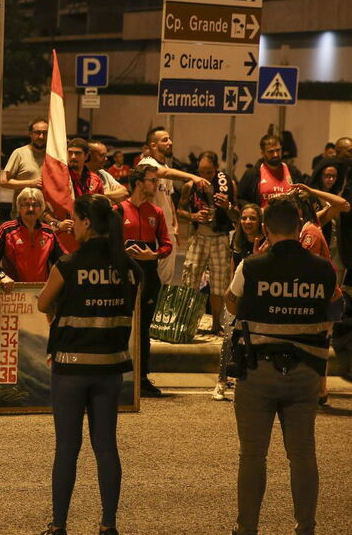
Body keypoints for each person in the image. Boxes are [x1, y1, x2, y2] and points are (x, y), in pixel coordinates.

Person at [226, 196, 336, 535]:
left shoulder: (252, 265)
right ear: (299, 223)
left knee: (253, 456)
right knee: (302, 454)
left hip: (258, 371)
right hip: (305, 373)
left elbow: (231, 303)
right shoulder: (322, 268)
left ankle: (247, 529)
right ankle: (305, 527)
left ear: (265, 227)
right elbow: (335, 309)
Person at [36, 194, 140, 535]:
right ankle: (108, 524)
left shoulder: (68, 264)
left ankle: (58, 525)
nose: (72, 224)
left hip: (71, 367)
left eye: (75, 219)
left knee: (67, 446)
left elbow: (42, 303)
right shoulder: (129, 268)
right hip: (110, 368)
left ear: (86, 223)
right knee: (106, 446)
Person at [118, 164, 172, 397]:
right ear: (139, 183)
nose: (155, 184)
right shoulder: (118, 210)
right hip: (124, 274)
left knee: (144, 328)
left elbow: (167, 245)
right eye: (152, 180)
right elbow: (107, 243)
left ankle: (142, 377)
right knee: (121, 325)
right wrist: (123, 252)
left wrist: (155, 254)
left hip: (149, 274)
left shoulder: (156, 212)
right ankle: (118, 375)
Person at [138, 126, 211, 284]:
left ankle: (161, 308)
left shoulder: (166, 167)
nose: (170, 142)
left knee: (166, 277)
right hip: (151, 228)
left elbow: (168, 198)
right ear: (153, 145)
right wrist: (193, 177)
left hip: (167, 229)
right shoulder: (146, 163)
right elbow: (162, 174)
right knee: (152, 278)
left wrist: (175, 225)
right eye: (165, 140)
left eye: (169, 139)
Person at [177, 151, 238, 336]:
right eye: (201, 172)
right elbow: (179, 211)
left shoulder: (228, 184)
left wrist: (227, 207)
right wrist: (193, 216)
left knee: (219, 283)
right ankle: (188, 322)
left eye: (209, 172)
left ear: (216, 170)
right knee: (191, 279)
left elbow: (237, 216)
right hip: (198, 236)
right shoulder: (190, 185)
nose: (204, 177)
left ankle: (216, 324)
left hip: (220, 236)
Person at [214, 204, 263, 401]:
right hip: (238, 296)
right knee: (228, 339)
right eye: (244, 218)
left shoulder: (266, 242)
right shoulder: (237, 239)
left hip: (257, 300)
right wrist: (230, 295)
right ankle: (221, 381)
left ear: (260, 221)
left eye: (252, 218)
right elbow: (232, 270)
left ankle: (246, 382)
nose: (247, 222)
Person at [0, 188, 63, 286]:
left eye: (35, 205)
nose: (31, 209)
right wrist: (1, 275)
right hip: (13, 292)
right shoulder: (7, 229)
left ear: (41, 208)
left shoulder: (49, 232)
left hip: (41, 292)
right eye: (26, 205)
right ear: (19, 208)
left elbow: (62, 260)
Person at [237, 134, 304, 208]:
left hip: (289, 218)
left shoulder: (293, 172)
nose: (275, 154)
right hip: (263, 218)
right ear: (263, 153)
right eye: (271, 152)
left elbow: (304, 195)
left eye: (278, 150)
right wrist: (255, 211)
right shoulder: (252, 174)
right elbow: (240, 199)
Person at [1, 117, 48, 217]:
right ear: (30, 134)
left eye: (45, 133)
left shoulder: (52, 156)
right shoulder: (19, 153)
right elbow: (4, 181)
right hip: (21, 214)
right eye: (37, 132)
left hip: (46, 216)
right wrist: (31, 183)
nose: (41, 136)